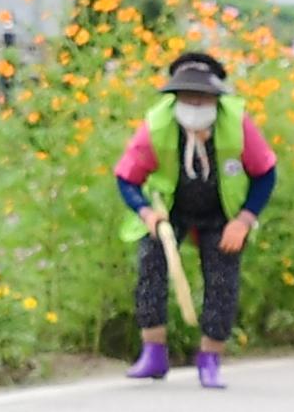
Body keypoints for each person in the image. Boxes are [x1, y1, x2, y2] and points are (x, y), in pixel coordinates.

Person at [112, 50, 276, 388]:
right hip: (169, 209)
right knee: (151, 264)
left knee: (222, 277)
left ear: (216, 99)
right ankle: (154, 352)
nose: (196, 105)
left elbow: (265, 173)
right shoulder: (157, 124)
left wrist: (244, 220)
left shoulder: (237, 123)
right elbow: (126, 177)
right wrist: (146, 213)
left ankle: (210, 358)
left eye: (203, 99)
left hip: (222, 212)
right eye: (189, 98)